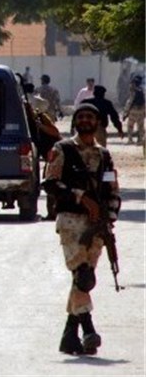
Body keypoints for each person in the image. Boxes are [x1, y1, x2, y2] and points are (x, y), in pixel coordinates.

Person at [43, 103, 120, 356]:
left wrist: (109, 217)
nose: (86, 120)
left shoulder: (104, 155)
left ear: (97, 123)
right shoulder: (62, 149)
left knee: (83, 281)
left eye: (90, 117)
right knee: (82, 275)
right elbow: (50, 183)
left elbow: (112, 190)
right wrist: (81, 197)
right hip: (71, 222)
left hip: (96, 226)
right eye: (81, 117)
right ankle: (88, 330)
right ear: (75, 122)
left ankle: (69, 336)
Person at [123, 75, 145, 144]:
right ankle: (140, 140)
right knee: (140, 126)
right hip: (141, 110)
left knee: (130, 126)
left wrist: (125, 113)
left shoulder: (133, 91)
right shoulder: (142, 91)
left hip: (133, 111)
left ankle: (130, 140)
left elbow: (130, 102)